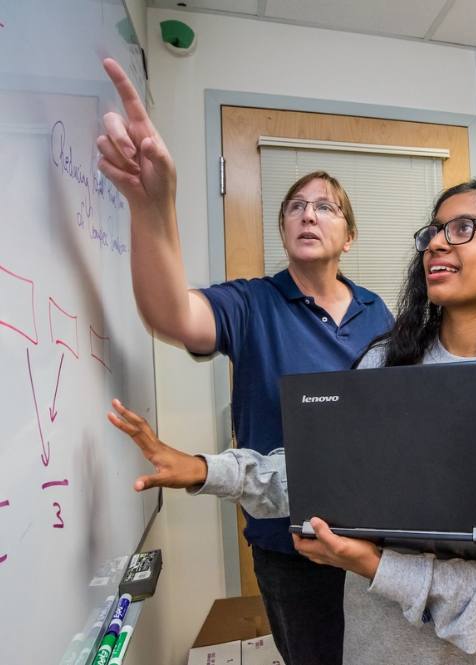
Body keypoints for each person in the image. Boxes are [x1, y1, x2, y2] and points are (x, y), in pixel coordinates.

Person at [108, 179, 476, 664]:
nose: (437, 243)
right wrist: (207, 471)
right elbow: (326, 477)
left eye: (463, 229)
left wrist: (381, 568)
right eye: (433, 230)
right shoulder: (388, 362)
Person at [96, 59, 393, 665]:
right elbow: (171, 314)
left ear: (350, 235)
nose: (309, 214)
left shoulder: (377, 311)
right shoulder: (253, 302)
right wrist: (154, 209)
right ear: (283, 228)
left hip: (373, 534)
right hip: (289, 542)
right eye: (296, 207)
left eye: (326, 207)